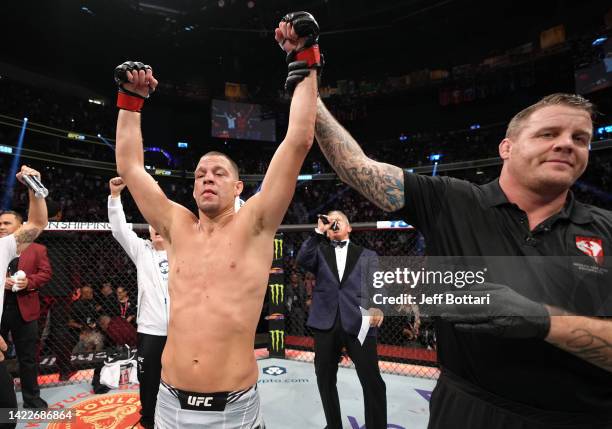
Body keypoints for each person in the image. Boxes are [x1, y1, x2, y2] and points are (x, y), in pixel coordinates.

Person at [312, 92, 612, 427]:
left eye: (580, 138)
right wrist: (308, 83)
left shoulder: (607, 230)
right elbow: (356, 166)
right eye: (548, 134)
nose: (566, 144)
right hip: (465, 409)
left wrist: (544, 322)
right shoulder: (453, 200)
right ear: (507, 148)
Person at [112, 11, 320, 428]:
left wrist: (306, 57)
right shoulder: (175, 225)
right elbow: (131, 167)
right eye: (201, 174)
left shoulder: (256, 225)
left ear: (239, 187)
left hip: (234, 409)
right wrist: (130, 101)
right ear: (191, 189)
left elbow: (299, 139)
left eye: (219, 173)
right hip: (169, 403)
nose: (208, 178)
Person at [296, 211, 387, 429]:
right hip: (325, 323)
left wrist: (378, 306)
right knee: (325, 379)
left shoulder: (367, 255)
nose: (334, 222)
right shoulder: (319, 251)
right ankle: (333, 425)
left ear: (349, 227)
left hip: (359, 323)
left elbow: (377, 284)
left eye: (340, 220)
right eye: (331, 219)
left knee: (372, 381)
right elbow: (302, 259)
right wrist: (319, 231)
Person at [107, 176, 169, 429]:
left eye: (159, 224)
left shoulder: (185, 249)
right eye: (151, 225)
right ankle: (149, 421)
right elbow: (119, 230)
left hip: (183, 330)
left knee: (184, 378)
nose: (154, 228)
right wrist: (114, 197)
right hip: (151, 329)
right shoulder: (142, 250)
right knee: (150, 380)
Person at [0, 166, 48, 423]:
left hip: (21, 308)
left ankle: (31, 399)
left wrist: (34, 186)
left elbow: (39, 223)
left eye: (6, 223)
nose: (1, 227)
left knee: (7, 411)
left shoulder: (5, 247)